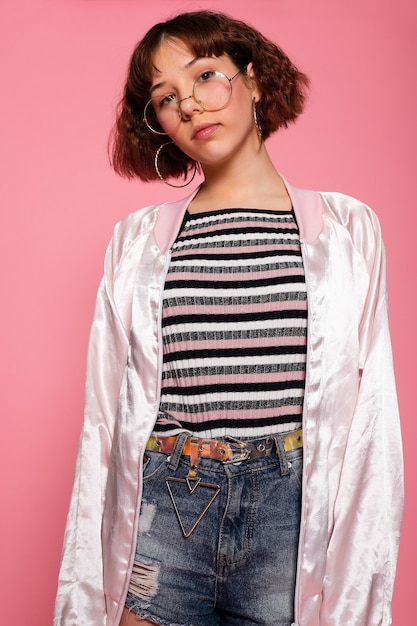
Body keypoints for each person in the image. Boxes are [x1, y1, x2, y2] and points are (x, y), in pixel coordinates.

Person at [53, 10, 403, 626]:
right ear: (158, 123)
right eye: (166, 97)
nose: (190, 105)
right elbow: (104, 418)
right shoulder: (138, 241)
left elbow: (371, 410)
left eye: (206, 75)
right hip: (167, 506)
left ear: (255, 80)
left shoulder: (347, 229)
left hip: (287, 516)